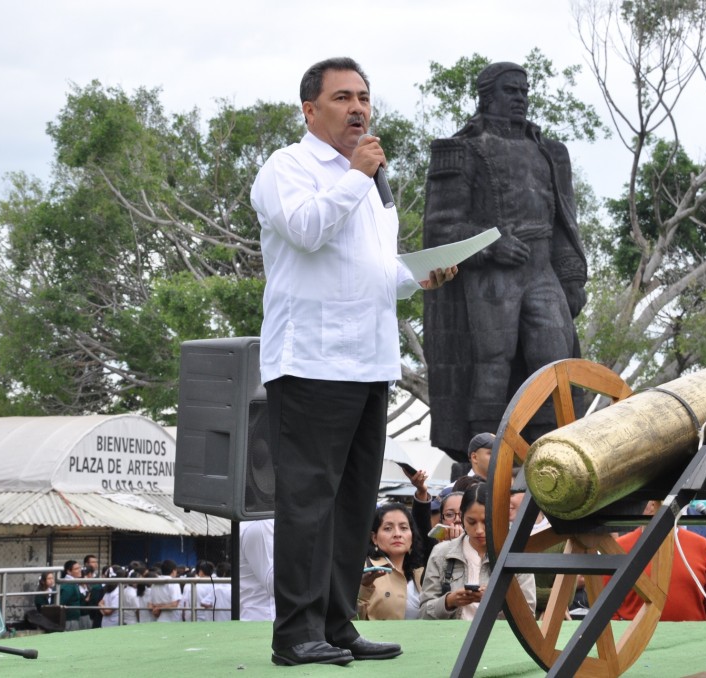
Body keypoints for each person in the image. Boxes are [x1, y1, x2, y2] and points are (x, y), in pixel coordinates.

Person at [250, 56, 456, 667]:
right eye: (343, 97)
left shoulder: (369, 186)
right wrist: (357, 176)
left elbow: (370, 273)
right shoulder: (288, 168)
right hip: (311, 361)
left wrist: (420, 275)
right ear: (311, 110)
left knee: (349, 506)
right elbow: (308, 230)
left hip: (371, 363)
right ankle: (293, 634)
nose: (359, 108)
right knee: (308, 503)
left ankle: (337, 625)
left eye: (364, 96)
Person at [423, 61, 587, 463]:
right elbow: (441, 229)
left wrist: (572, 280)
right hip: (492, 274)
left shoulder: (549, 152)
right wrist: (492, 247)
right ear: (488, 96)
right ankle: (486, 457)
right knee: (492, 362)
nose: (520, 99)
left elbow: (564, 222)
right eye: (511, 91)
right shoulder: (461, 150)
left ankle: (557, 453)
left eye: (524, 92)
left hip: (541, 266)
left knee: (555, 359)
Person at [419, 482, 536, 620]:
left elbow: (528, 615)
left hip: (497, 639)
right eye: (471, 522)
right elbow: (424, 614)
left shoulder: (516, 555)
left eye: (486, 521)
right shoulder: (441, 553)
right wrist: (449, 601)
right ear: (461, 517)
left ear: (500, 517)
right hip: (450, 638)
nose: (479, 530)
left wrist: (494, 600)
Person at [609, 501, 706, 622]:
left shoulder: (701, 546)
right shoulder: (618, 548)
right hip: (637, 639)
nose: (652, 505)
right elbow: (605, 607)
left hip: (694, 639)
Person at [358, 503, 425, 620]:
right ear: (374, 538)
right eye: (388, 528)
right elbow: (350, 619)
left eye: (403, 528)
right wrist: (364, 588)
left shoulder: (421, 573)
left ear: (412, 536)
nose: (397, 534)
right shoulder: (364, 569)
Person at [239, 518, 276, 622]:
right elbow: (274, 583)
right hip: (265, 619)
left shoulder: (259, 524)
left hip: (257, 619)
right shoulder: (262, 526)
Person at [59, 560, 88, 631]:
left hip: (73, 619)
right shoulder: (69, 585)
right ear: (69, 571)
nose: (79, 570)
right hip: (70, 620)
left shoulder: (73, 583)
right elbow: (62, 602)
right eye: (76, 569)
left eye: (79, 568)